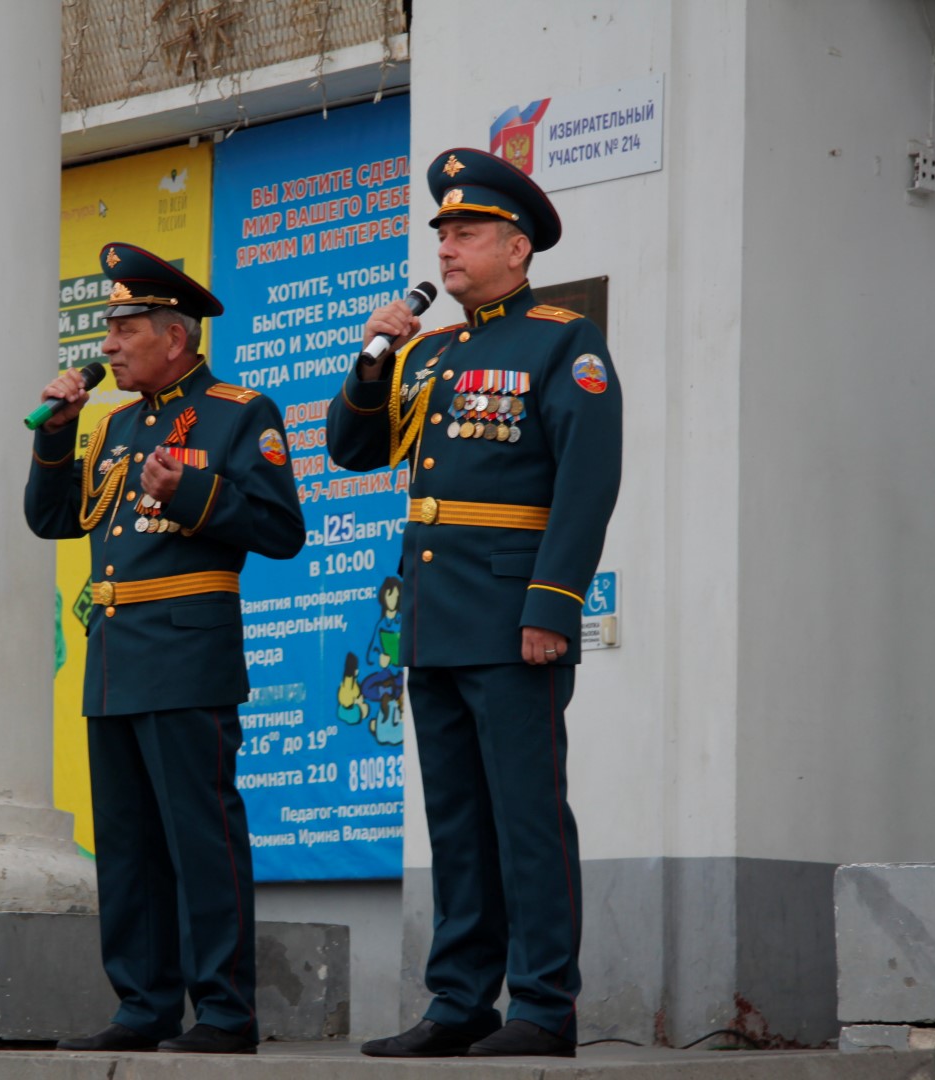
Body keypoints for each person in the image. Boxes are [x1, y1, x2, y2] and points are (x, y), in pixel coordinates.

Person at [326, 147, 622, 1059]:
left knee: (525, 813)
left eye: (466, 233)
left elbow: (586, 479)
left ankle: (542, 1005)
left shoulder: (560, 339)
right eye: (442, 234)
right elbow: (350, 450)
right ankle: (459, 1000)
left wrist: (552, 603)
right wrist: (374, 362)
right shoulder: (432, 350)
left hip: (510, 613)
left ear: (517, 247)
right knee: (455, 819)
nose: (447, 250)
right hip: (435, 613)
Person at [24, 243, 305, 1055]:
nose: (106, 346)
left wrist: (189, 491)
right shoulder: (109, 421)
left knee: (199, 837)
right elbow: (52, 520)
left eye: (124, 330)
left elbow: (281, 530)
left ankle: (223, 1012)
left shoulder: (237, 411)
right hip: (114, 652)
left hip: (187, 650)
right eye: (108, 331)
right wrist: (57, 435)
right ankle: (143, 1005)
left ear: (173, 337)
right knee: (127, 843)